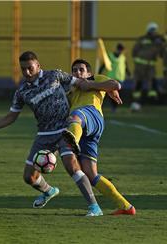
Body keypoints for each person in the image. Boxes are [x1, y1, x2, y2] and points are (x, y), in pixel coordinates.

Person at [0, 51, 103, 216]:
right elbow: (11, 117)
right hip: (44, 134)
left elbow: (83, 83)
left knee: (71, 165)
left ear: (38, 66)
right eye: (23, 69)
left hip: (65, 129)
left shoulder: (55, 75)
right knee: (29, 177)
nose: (27, 72)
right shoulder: (22, 92)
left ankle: (94, 207)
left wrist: (107, 88)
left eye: (30, 68)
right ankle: (49, 191)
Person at [62, 59, 136, 215]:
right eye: (74, 70)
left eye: (81, 69)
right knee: (91, 174)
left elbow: (116, 85)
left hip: (91, 115)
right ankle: (126, 206)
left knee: (75, 117)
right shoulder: (71, 89)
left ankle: (72, 141)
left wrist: (90, 85)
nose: (78, 73)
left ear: (89, 73)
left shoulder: (96, 78)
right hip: (84, 129)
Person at [132, 22, 165, 105]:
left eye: (155, 30)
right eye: (152, 30)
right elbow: (135, 51)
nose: (154, 32)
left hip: (151, 65)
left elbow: (161, 53)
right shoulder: (143, 39)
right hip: (140, 65)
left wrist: (162, 42)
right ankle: (136, 99)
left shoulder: (158, 41)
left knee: (152, 81)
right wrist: (137, 61)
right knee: (139, 81)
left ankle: (152, 99)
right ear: (149, 30)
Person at [98, 43, 131, 112]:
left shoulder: (123, 57)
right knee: (111, 93)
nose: (121, 52)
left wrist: (128, 73)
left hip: (120, 78)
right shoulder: (110, 56)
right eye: (120, 50)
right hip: (111, 77)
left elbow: (126, 66)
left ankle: (115, 107)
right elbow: (104, 65)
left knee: (119, 93)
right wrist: (99, 72)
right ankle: (112, 106)